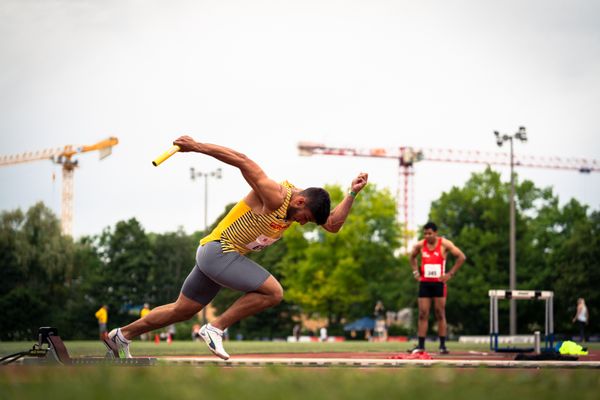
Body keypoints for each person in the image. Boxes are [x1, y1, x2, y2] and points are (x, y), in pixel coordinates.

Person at [107, 135, 368, 359]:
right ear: (300, 202)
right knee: (274, 293)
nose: (302, 224)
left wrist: (352, 193)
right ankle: (215, 328)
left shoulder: (296, 209)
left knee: (182, 310)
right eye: (305, 219)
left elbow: (333, 224)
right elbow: (242, 160)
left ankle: (122, 335)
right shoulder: (275, 196)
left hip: (217, 256)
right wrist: (196, 146)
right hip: (219, 251)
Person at [409, 222, 466, 354]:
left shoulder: (445, 244)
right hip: (425, 283)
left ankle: (442, 345)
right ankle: (421, 346)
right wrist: (415, 272)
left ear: (435, 233)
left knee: (440, 313)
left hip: (439, 283)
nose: (427, 236)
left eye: (430, 233)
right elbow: (412, 257)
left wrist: (450, 274)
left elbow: (461, 257)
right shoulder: (420, 245)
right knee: (423, 313)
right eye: (425, 233)